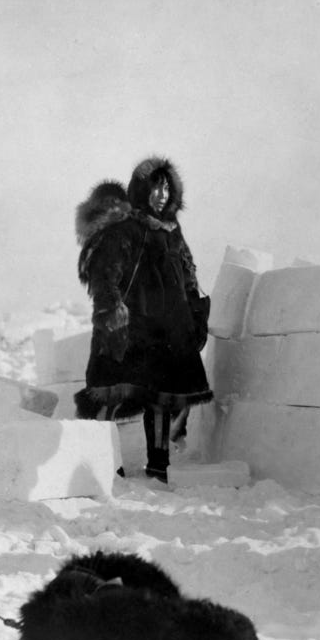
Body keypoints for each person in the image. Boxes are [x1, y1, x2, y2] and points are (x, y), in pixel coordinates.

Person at [73, 157, 212, 482]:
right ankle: (105, 465)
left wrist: (195, 315)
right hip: (131, 330)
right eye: (155, 187)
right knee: (112, 398)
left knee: (163, 399)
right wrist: (112, 312)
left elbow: (188, 275)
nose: (161, 195)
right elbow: (105, 274)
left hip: (169, 331)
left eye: (166, 188)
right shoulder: (126, 229)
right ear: (141, 190)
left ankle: (159, 467)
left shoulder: (173, 232)